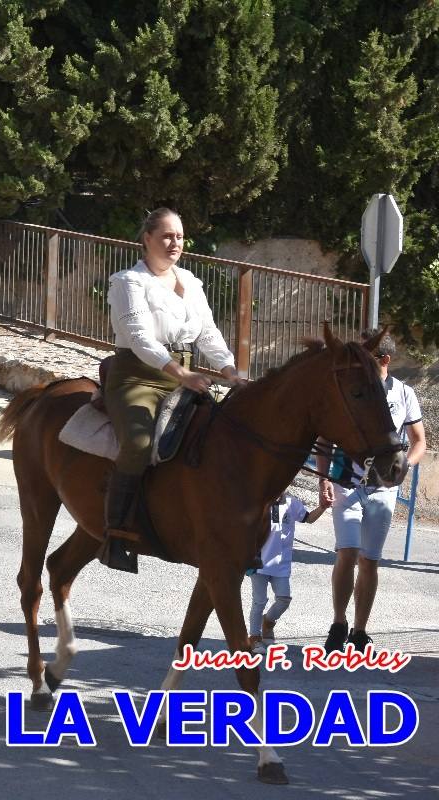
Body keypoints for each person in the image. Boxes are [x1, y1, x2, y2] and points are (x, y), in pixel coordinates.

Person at [101, 208, 240, 572]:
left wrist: (230, 371)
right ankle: (116, 534)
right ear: (146, 239)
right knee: (139, 443)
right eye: (166, 235)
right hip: (138, 377)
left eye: (179, 236)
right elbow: (140, 338)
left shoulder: (191, 283)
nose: (174, 242)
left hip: (184, 375)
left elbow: (208, 332)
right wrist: (181, 374)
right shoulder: (128, 282)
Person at [319, 329, 426, 653]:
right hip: (346, 484)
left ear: (384, 360)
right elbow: (325, 439)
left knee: (369, 561)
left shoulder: (403, 393)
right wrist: (323, 479)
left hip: (383, 489)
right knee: (347, 553)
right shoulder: (351, 391)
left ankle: (360, 630)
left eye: (368, 359)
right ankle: (338, 622)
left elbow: (420, 441)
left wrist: (403, 467)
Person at [248, 492, 328, 655]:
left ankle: (268, 622)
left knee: (284, 599)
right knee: (259, 601)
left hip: (281, 563)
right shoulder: (259, 498)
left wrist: (322, 507)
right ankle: (254, 638)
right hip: (259, 561)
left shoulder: (292, 502)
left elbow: (308, 518)